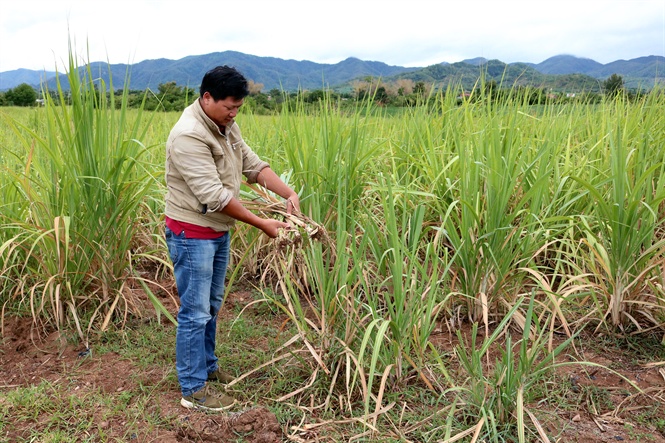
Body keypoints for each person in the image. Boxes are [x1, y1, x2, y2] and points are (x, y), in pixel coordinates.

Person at [164, 65, 300, 411]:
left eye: (238, 108)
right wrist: (263, 223)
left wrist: (288, 194)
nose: (234, 114)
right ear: (207, 98)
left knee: (211, 305)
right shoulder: (189, 135)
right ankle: (193, 388)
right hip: (192, 232)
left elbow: (252, 165)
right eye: (229, 107)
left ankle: (207, 368)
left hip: (217, 229)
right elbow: (214, 195)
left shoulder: (225, 125)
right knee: (195, 311)